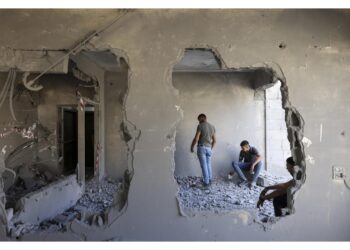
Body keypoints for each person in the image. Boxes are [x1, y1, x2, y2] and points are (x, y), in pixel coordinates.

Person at [190, 114, 216, 187]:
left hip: (202, 147)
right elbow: (215, 141)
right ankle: (209, 180)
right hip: (209, 148)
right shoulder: (212, 127)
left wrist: (192, 147)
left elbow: (196, 138)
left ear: (201, 119)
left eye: (199, 120)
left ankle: (206, 182)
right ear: (206, 118)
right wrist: (210, 148)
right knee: (208, 164)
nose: (198, 122)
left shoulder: (200, 126)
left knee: (204, 165)